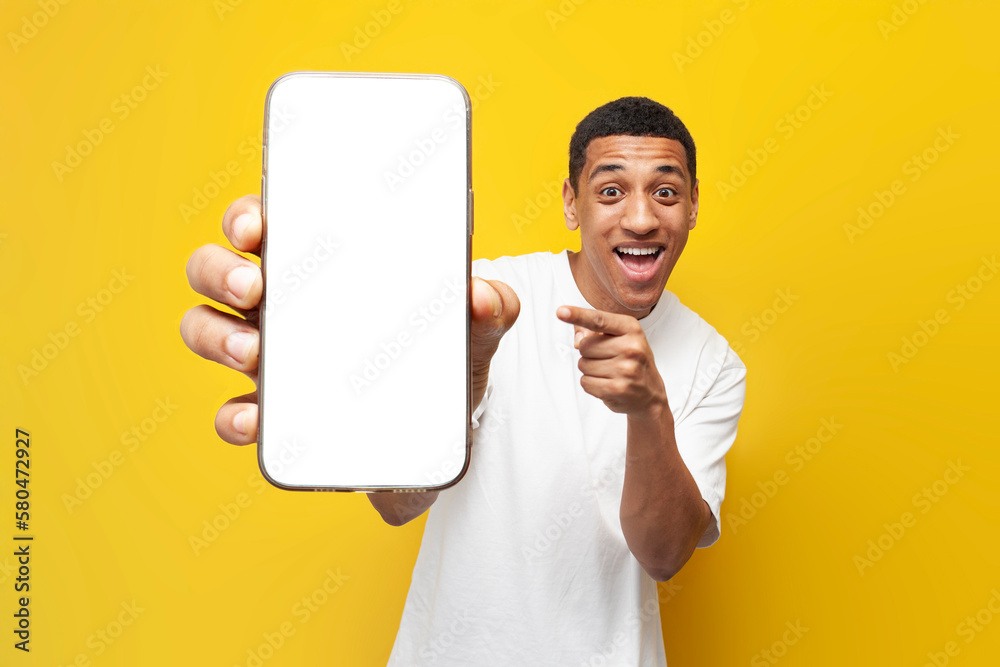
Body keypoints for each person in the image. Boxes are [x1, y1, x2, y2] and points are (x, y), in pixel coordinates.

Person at [181, 96, 746, 666]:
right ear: (572, 204)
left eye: (666, 192)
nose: (642, 218)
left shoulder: (713, 363)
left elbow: (665, 555)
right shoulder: (476, 302)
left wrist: (648, 410)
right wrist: (466, 377)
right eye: (611, 191)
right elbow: (396, 504)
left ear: (693, 205)